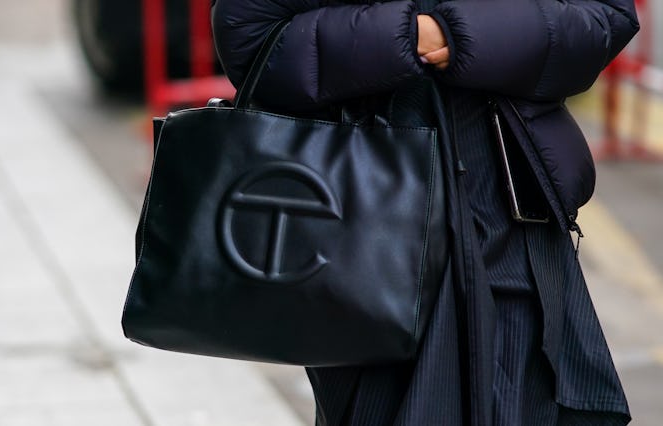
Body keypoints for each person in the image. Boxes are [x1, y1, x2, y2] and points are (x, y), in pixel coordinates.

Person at [211, 0, 639, 424]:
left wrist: (463, 34)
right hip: (360, 231)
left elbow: (604, 16)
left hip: (510, 212)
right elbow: (249, 35)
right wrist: (406, 37)